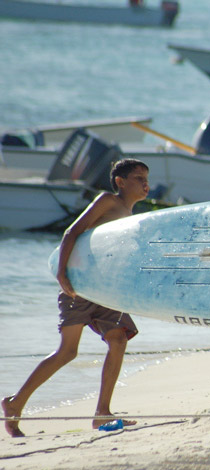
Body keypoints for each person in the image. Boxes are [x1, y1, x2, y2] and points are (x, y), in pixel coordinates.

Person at [3, 159, 151, 437]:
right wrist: (62, 275)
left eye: (146, 178)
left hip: (106, 290)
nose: (146, 183)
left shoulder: (132, 213)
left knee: (118, 340)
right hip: (80, 287)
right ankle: (15, 403)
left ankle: (102, 413)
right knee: (68, 352)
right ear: (120, 182)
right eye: (138, 178)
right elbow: (72, 232)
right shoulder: (108, 201)